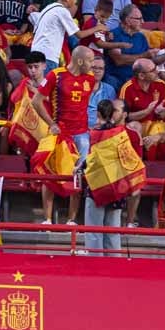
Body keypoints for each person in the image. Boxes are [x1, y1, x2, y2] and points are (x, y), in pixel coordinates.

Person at [31, 46, 96, 225]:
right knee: (51, 174)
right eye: (90, 61)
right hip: (58, 133)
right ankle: (47, 219)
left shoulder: (90, 79)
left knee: (77, 175)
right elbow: (36, 101)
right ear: (80, 61)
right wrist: (51, 124)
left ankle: (71, 220)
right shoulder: (55, 75)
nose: (93, 65)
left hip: (81, 135)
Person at [84, 98, 136, 252]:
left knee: (94, 230)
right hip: (117, 186)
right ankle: (114, 267)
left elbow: (91, 159)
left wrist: (80, 166)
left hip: (97, 186)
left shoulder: (94, 134)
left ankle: (94, 267)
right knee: (113, 230)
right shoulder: (121, 133)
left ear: (98, 113)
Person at [30, 0, 80, 72]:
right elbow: (80, 35)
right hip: (48, 56)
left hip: (35, 53)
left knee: (40, 85)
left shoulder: (48, 7)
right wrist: (98, 28)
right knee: (48, 86)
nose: (76, 1)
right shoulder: (62, 11)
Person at [86, 56, 116, 128]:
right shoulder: (79, 87)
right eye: (93, 67)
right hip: (83, 128)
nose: (97, 71)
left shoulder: (110, 90)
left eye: (100, 68)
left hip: (103, 128)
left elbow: (112, 113)